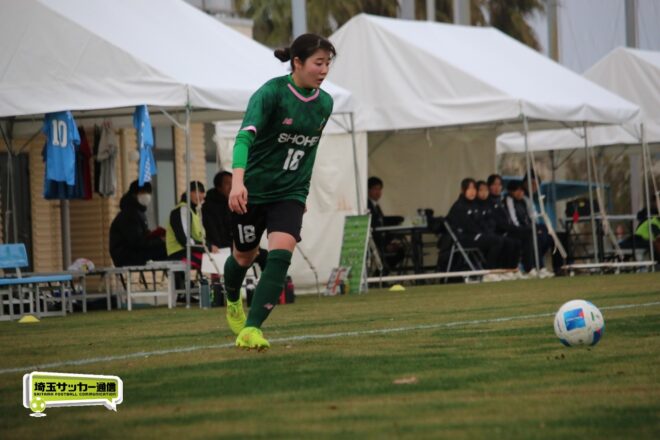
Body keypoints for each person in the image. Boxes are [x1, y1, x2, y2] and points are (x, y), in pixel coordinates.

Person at [222, 33, 336, 350]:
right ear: (297, 62)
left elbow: (308, 151)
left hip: (289, 193)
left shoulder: (325, 103)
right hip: (253, 190)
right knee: (243, 256)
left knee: (282, 252)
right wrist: (238, 182)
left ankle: (251, 329)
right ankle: (232, 298)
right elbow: (244, 139)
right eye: (318, 63)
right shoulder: (270, 94)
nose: (324, 70)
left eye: (328, 63)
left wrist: (301, 193)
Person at [202, 170, 268, 270]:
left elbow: (244, 226)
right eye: (227, 183)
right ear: (219, 187)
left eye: (232, 183)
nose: (231, 186)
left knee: (263, 254)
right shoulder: (210, 207)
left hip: (237, 244)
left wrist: (253, 247)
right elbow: (215, 233)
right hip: (222, 248)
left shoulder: (235, 202)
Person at [446, 178, 506, 275]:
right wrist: (483, 233)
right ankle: (489, 271)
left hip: (477, 235)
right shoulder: (459, 206)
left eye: (474, 189)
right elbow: (468, 226)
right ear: (463, 190)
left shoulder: (474, 204)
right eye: (469, 189)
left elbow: (481, 221)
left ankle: (502, 270)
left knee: (502, 240)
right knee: (496, 241)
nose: (472, 192)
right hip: (465, 238)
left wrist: (487, 232)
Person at [109, 180, 166, 267]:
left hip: (131, 253)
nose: (147, 195)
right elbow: (137, 241)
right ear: (134, 194)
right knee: (166, 248)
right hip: (126, 256)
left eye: (149, 193)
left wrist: (157, 236)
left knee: (167, 247)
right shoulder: (129, 214)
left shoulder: (137, 212)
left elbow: (141, 237)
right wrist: (160, 240)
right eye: (143, 192)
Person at [505, 180, 553, 277]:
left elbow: (531, 217)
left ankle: (540, 266)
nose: (520, 193)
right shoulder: (509, 200)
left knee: (546, 231)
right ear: (511, 191)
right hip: (515, 230)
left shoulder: (524, 201)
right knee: (532, 235)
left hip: (526, 228)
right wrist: (528, 229)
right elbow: (513, 219)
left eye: (521, 190)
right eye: (517, 190)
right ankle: (530, 268)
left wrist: (535, 227)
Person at [367, 176, 405, 273]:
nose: (378, 192)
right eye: (375, 189)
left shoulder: (375, 205)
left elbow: (382, 221)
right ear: (368, 190)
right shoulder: (367, 205)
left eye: (380, 189)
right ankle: (380, 275)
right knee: (399, 252)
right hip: (375, 243)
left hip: (381, 241)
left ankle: (381, 273)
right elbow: (375, 226)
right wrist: (386, 245)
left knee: (401, 249)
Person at [166, 181, 206, 269]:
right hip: (179, 253)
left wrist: (209, 247)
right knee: (211, 261)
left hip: (192, 251)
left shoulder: (195, 212)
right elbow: (185, 240)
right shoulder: (182, 210)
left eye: (202, 193)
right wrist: (207, 248)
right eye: (195, 192)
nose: (199, 196)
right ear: (188, 193)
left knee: (217, 259)